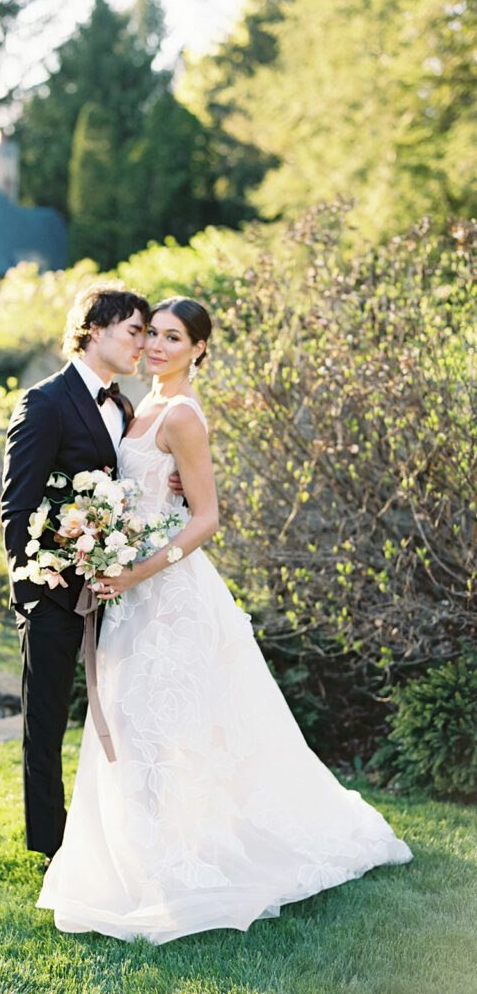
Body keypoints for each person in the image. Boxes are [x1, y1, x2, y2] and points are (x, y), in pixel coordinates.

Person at [37, 296, 412, 943]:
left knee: (167, 725)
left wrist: (134, 571)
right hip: (127, 594)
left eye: (172, 337)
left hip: (167, 593)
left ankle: (173, 862)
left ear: (198, 350)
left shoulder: (181, 415)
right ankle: (136, 854)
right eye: (150, 333)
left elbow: (206, 518)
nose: (155, 345)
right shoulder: (132, 408)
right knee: (132, 723)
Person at [0, 285, 150, 864]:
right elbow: (18, 505)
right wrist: (34, 588)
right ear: (95, 329)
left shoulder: (125, 407)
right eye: (134, 330)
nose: (142, 343)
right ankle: (51, 847)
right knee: (47, 722)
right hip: (54, 597)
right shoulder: (44, 402)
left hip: (114, 590)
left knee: (117, 712)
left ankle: (111, 828)